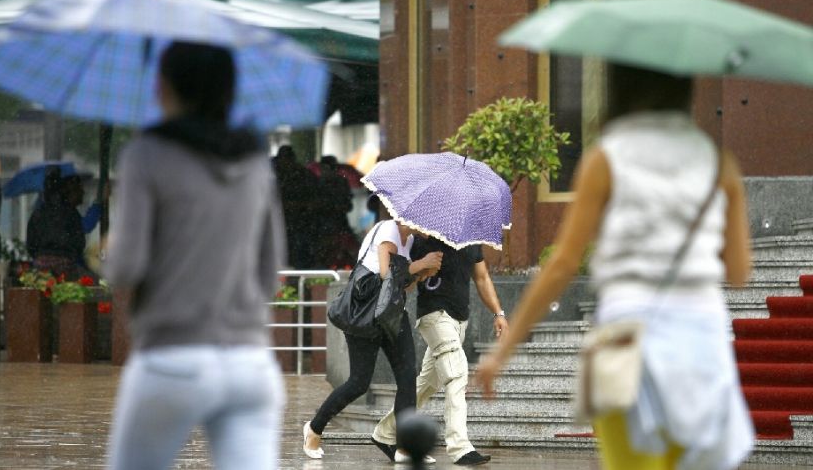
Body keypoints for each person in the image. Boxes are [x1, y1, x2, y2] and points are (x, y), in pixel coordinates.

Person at [476, 64, 755, 470]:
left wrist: (502, 352)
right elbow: (739, 272)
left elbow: (563, 263)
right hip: (701, 340)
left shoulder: (606, 159)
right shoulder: (719, 164)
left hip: (626, 338)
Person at [104, 41, 285, 470]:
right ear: (230, 90)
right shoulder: (255, 162)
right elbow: (268, 274)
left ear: (163, 87)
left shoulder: (147, 155)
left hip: (172, 357)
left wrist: (112, 248)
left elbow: (126, 267)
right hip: (250, 364)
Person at [303, 219, 443, 460]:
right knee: (359, 382)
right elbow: (386, 274)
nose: (430, 226)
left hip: (392, 315)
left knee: (407, 377)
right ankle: (314, 428)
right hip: (365, 315)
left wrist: (422, 274)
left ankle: (405, 447)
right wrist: (420, 264)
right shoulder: (388, 229)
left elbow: (401, 287)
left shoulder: (409, 241)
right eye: (427, 221)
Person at [372, 237, 509, 465]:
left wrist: (499, 313)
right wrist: (423, 266)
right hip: (434, 316)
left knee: (427, 384)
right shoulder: (424, 240)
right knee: (457, 375)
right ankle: (460, 447)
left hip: (459, 321)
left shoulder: (471, 240)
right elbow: (402, 281)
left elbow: (482, 277)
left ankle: (385, 432)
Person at [26, 168, 88, 279]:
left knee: (42, 287)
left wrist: (41, 255)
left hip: (41, 264)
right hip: (66, 264)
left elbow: (31, 243)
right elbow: (79, 242)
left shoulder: (38, 213)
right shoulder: (71, 212)